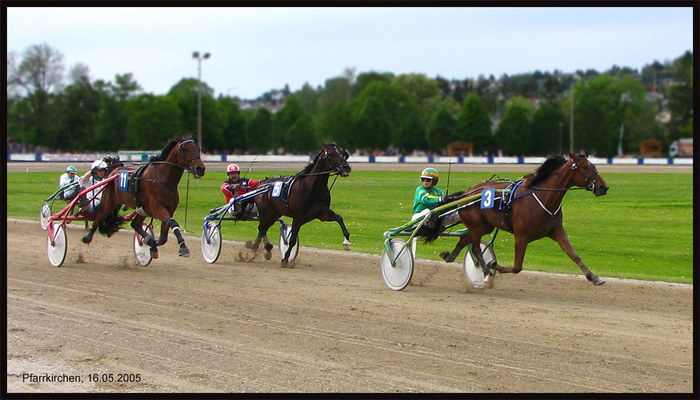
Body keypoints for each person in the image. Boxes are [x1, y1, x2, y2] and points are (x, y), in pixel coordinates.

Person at [410, 167, 463, 257]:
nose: (425, 182)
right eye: (423, 179)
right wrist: (441, 199)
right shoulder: (420, 189)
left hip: (436, 219)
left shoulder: (438, 191)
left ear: (434, 181)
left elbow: (445, 203)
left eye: (428, 180)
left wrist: (451, 200)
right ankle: (432, 225)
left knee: (459, 214)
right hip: (419, 218)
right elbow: (425, 198)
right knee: (428, 211)